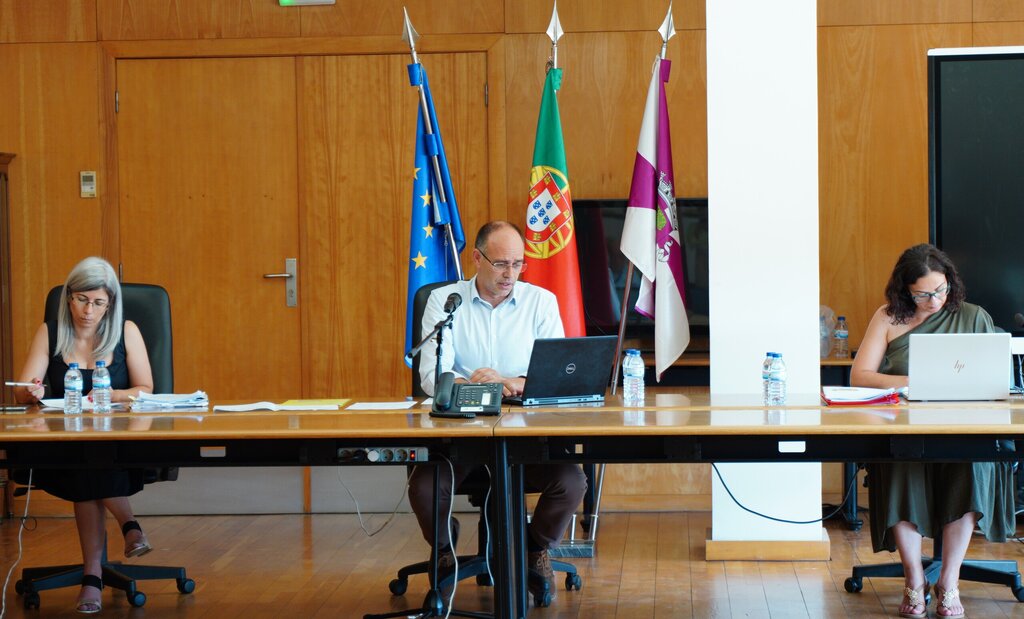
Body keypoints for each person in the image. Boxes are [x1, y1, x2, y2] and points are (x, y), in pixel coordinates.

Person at [409, 221, 587, 602]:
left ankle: (534, 547)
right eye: (502, 263)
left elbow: (554, 375)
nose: (510, 274)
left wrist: (506, 380)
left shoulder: (541, 302)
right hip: (461, 437)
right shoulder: (445, 302)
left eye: (518, 264)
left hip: (528, 435)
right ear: (477, 258)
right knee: (425, 488)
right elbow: (431, 376)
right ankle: (444, 548)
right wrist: (479, 388)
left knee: (571, 483)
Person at [850, 243, 1014, 619]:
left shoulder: (974, 316)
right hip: (904, 427)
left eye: (940, 290)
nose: (935, 301)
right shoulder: (888, 317)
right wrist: (917, 381)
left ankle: (949, 581)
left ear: (949, 282)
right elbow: (860, 376)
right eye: (922, 294)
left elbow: (995, 382)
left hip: (966, 428)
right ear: (904, 290)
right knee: (896, 468)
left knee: (973, 467)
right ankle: (914, 580)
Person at [13, 257, 156, 615]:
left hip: (120, 443)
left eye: (98, 302)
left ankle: (92, 577)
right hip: (65, 444)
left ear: (110, 304)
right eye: (81, 299)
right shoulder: (50, 332)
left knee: (92, 461)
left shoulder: (126, 331)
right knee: (86, 459)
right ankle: (130, 526)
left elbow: (145, 388)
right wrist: (32, 391)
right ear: (69, 297)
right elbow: (22, 390)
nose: (88, 310)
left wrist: (112, 395)